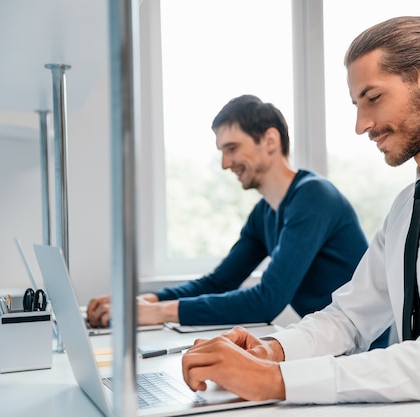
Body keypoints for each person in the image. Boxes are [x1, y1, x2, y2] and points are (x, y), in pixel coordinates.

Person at [179, 16, 420, 417]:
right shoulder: (408, 206)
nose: (361, 125)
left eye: (373, 98)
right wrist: (273, 351)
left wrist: (273, 380)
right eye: (357, 105)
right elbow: (349, 319)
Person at [87, 94, 389, 349]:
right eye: (222, 152)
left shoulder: (314, 197)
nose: (224, 164)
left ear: (269, 140)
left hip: (364, 350)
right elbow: (219, 282)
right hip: (328, 346)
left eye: (231, 149)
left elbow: (267, 300)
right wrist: (142, 301)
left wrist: (157, 313)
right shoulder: (264, 213)